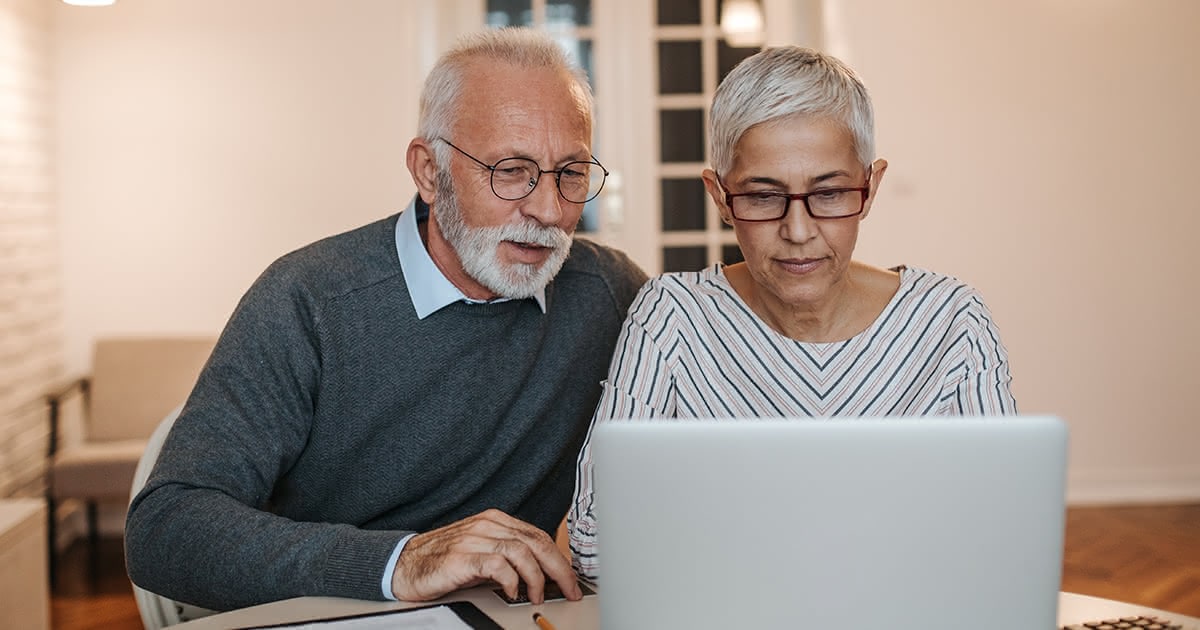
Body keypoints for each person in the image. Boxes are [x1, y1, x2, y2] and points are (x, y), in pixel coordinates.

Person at [125, 28, 646, 612]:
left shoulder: (610, 292)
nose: (549, 211)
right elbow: (164, 529)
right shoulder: (309, 301)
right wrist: (403, 560)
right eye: (510, 170)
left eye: (571, 174)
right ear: (428, 171)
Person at [567, 46, 1017, 580]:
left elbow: (1005, 538)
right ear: (719, 195)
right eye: (762, 197)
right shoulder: (671, 318)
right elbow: (593, 544)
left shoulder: (951, 322)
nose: (799, 232)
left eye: (828, 194)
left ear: (870, 187)